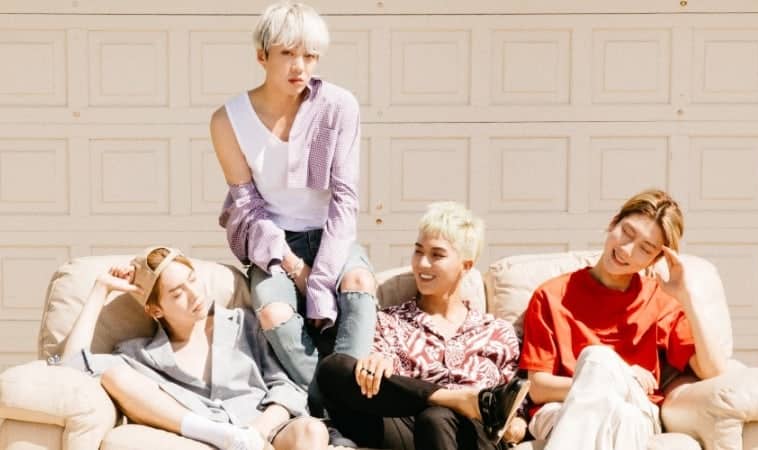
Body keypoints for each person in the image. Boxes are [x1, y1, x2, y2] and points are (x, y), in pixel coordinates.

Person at [211, 1, 377, 414]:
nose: (299, 66)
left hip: (331, 234)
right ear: (262, 55)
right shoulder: (227, 120)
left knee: (359, 281)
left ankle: (349, 393)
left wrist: (321, 280)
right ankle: (338, 405)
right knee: (273, 312)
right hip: (272, 241)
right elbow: (248, 206)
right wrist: (293, 266)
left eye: (310, 55)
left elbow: (345, 198)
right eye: (287, 53)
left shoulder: (339, 106)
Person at [58, 246, 329, 450]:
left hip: (264, 431)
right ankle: (218, 434)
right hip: (204, 437)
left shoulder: (243, 323)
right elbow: (70, 367)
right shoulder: (139, 356)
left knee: (312, 431)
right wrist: (101, 289)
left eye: (192, 279)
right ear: (155, 310)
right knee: (115, 376)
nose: (194, 294)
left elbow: (287, 385)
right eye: (177, 293)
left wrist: (255, 433)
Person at [520, 189, 727, 449]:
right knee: (602, 369)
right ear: (613, 223)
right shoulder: (551, 295)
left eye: (645, 248)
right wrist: (620, 375)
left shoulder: (660, 300)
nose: (627, 250)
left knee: (619, 399)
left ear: (655, 259)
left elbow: (713, 371)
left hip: (635, 404)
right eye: (627, 232)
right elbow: (538, 387)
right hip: (560, 408)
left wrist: (688, 297)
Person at [317, 202, 529, 450]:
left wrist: (517, 426)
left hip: (473, 435)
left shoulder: (496, 331)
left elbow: (517, 411)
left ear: (466, 266)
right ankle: (455, 399)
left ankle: (454, 404)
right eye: (418, 252)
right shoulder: (389, 322)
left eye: (437, 255)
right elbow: (378, 380)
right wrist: (376, 364)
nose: (422, 264)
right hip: (408, 428)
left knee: (436, 418)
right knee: (333, 368)